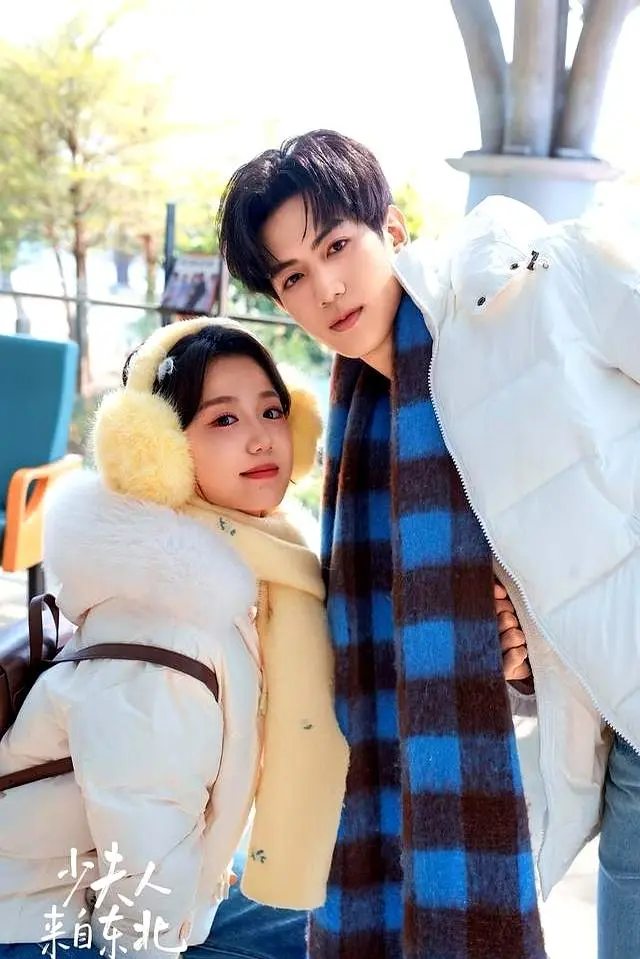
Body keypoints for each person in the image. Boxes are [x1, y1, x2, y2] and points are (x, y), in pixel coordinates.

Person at [217, 129, 640, 959]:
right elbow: (540, 573)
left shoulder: (542, 283)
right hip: (621, 744)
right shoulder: (372, 423)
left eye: (336, 245)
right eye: (293, 277)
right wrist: (519, 651)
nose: (327, 287)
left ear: (393, 230)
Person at [0, 319, 348, 959]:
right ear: (158, 453)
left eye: (271, 411)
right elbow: (141, 875)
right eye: (223, 419)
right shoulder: (167, 634)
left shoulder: (254, 572)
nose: (261, 437)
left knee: (347, 919)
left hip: (129, 878)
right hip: (42, 918)